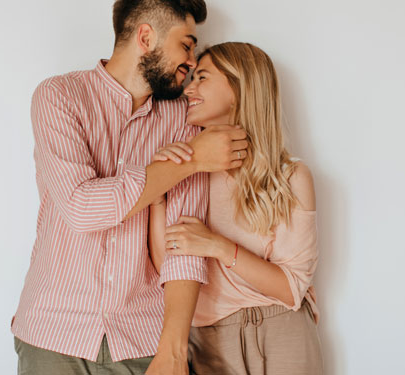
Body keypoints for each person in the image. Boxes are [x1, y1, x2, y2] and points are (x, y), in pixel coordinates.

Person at [11, 2, 250, 374]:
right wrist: (191, 161)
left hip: (143, 342)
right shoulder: (59, 96)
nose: (191, 60)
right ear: (145, 36)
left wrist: (172, 350)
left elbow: (183, 246)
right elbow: (82, 207)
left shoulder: (183, 120)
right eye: (186, 45)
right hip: (52, 335)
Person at [149, 42, 324, 374]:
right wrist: (159, 191)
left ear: (239, 89)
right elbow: (166, 264)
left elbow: (290, 288)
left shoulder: (290, 177)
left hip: (282, 330)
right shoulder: (186, 170)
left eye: (202, 78)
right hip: (211, 340)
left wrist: (215, 244)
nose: (189, 90)